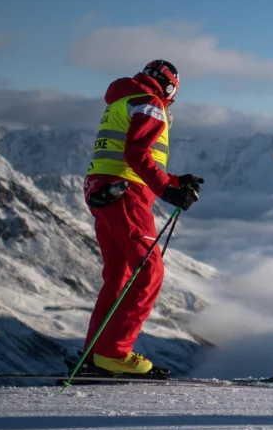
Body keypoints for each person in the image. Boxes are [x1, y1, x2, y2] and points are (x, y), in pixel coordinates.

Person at [81, 59, 204, 377]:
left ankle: (95, 354)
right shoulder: (150, 104)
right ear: (170, 88)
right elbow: (135, 156)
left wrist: (176, 181)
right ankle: (114, 353)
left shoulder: (124, 99)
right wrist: (168, 191)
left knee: (119, 276)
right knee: (149, 271)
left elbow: (129, 154)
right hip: (126, 194)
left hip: (104, 191)